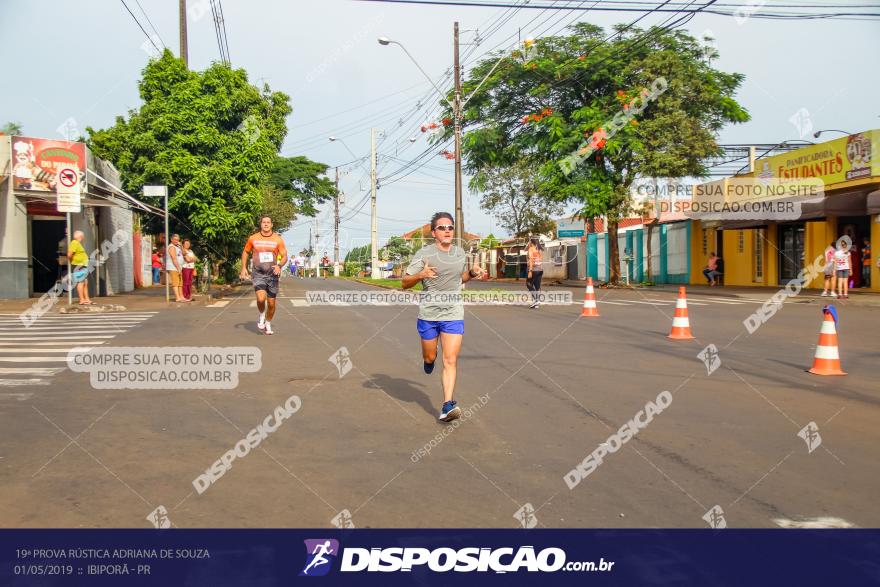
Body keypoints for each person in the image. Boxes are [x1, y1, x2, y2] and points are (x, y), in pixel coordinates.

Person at [402, 212, 484, 422]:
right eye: (442, 228)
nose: (447, 230)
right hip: (429, 313)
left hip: (453, 313)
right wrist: (420, 275)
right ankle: (428, 360)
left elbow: (461, 277)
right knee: (430, 357)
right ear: (434, 232)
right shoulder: (424, 253)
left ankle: (448, 404)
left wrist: (472, 273)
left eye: (450, 227)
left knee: (450, 359)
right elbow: (404, 282)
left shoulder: (459, 252)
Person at [241, 215, 287, 335]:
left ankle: (268, 322)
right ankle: (262, 315)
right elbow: (246, 252)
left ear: (271, 225)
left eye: (268, 222)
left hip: (272, 274)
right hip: (258, 273)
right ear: (260, 224)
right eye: (263, 222)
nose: (266, 224)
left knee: (271, 303)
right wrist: (243, 268)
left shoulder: (278, 239)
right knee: (261, 299)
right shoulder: (253, 238)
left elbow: (284, 255)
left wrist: (279, 265)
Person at [67, 230, 92, 305]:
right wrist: (73, 262)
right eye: (82, 236)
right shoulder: (74, 243)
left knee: (85, 283)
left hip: (83, 265)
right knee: (80, 282)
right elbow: (69, 254)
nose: (83, 237)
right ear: (80, 236)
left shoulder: (77, 243)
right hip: (79, 266)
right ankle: (82, 300)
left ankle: (87, 299)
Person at [166, 234, 188, 302]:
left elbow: (184, 253)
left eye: (178, 240)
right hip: (173, 267)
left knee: (180, 283)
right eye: (175, 240)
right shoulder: (171, 247)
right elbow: (174, 258)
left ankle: (181, 297)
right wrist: (178, 268)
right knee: (175, 282)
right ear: (171, 239)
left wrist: (181, 245)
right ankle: (177, 297)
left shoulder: (178, 246)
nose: (176, 241)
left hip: (179, 267)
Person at [526, 236, 544, 308]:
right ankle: (536, 303)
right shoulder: (539, 249)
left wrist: (530, 271)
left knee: (529, 284)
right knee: (537, 286)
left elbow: (531, 260)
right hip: (540, 270)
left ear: (531, 242)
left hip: (533, 270)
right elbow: (540, 260)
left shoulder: (531, 249)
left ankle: (536, 300)